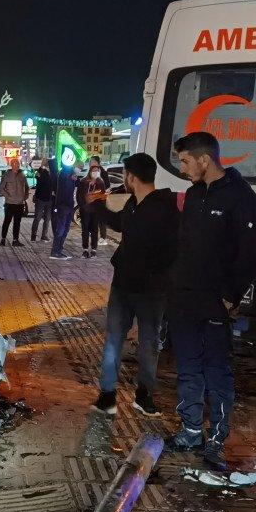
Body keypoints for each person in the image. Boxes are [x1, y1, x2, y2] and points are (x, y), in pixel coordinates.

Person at [167, 132, 256, 472]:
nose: (183, 168)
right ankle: (191, 430)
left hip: (214, 302)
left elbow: (249, 255)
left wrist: (229, 296)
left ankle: (216, 439)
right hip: (184, 299)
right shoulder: (193, 196)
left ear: (204, 160)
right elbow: (185, 246)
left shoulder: (240, 196)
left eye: (186, 161)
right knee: (188, 366)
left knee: (216, 370)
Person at [88, 153, 179, 416]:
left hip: (151, 289)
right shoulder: (133, 203)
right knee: (113, 339)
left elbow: (172, 250)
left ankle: (144, 395)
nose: (124, 179)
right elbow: (121, 224)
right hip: (123, 285)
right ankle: (107, 395)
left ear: (132, 177)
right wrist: (98, 209)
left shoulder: (163, 208)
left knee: (149, 343)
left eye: (126, 174)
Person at [50, 155, 78, 260]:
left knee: (65, 230)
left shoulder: (69, 175)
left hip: (68, 205)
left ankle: (59, 250)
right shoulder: (64, 174)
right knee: (61, 230)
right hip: (63, 206)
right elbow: (62, 190)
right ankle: (55, 251)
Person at [76, 163, 107, 258]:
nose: (95, 173)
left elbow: (103, 198)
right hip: (85, 210)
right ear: (90, 172)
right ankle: (85, 249)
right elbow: (79, 196)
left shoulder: (101, 183)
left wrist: (101, 209)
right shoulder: (83, 182)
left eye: (97, 171)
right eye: (93, 171)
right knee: (85, 230)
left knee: (94, 230)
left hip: (95, 211)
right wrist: (83, 206)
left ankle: (94, 249)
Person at [0, 157, 29, 247]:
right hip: (9, 203)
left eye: (18, 164)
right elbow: (1, 188)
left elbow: (26, 186)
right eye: (15, 164)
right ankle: (3, 239)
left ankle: (15, 240)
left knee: (17, 223)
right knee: (7, 221)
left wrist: (25, 196)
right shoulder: (7, 175)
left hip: (19, 203)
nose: (17, 165)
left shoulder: (22, 174)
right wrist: (8, 196)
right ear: (11, 165)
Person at [90, 155, 113, 246]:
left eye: (91, 161)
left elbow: (107, 185)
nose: (90, 163)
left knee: (101, 219)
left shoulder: (102, 171)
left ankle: (103, 238)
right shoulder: (93, 171)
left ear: (96, 162)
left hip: (100, 199)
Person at [29, 157, 52, 242]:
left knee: (47, 218)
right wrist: (41, 167)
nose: (45, 162)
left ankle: (44, 235)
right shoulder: (40, 171)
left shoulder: (51, 171)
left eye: (46, 161)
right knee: (37, 217)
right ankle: (33, 236)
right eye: (44, 161)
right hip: (40, 198)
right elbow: (37, 176)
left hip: (49, 199)